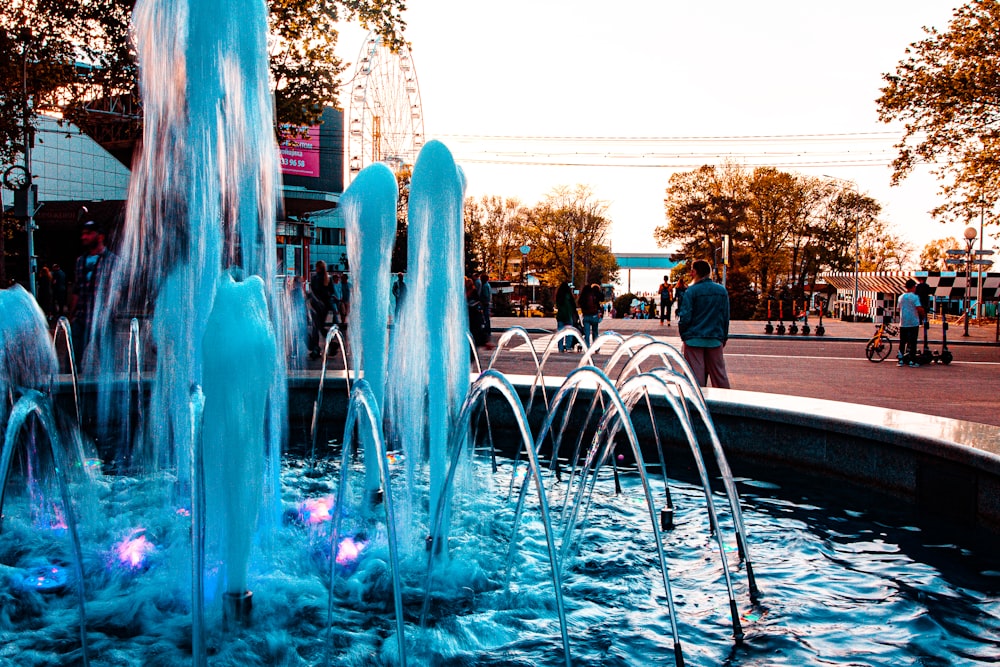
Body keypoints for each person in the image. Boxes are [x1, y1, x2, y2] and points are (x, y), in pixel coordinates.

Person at [677, 260, 731, 388]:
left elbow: (685, 316)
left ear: (695, 272)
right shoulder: (721, 291)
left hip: (693, 338)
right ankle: (725, 403)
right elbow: (725, 316)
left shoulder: (691, 291)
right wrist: (723, 337)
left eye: (692, 270)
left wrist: (684, 335)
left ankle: (697, 404)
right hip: (715, 337)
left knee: (696, 377)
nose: (690, 273)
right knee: (719, 375)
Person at [69, 219, 116, 365]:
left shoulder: (112, 261)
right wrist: (72, 315)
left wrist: (110, 312)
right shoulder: (80, 261)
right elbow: (77, 289)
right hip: (82, 318)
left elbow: (117, 292)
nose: (84, 237)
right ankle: (72, 386)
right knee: (72, 360)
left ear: (100, 236)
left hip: (103, 319)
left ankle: (108, 385)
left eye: (89, 234)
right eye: (83, 234)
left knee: (106, 362)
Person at [897, 278, 925, 368]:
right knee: (913, 342)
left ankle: (900, 360)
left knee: (902, 341)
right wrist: (923, 315)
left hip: (903, 322)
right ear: (913, 287)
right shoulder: (915, 297)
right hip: (913, 322)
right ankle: (912, 361)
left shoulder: (901, 297)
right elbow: (919, 308)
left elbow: (898, 308)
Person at [308, 261, 332, 358]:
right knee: (319, 327)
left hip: (316, 305)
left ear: (318, 268)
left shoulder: (315, 278)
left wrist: (315, 300)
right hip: (324, 306)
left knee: (316, 327)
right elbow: (331, 292)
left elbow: (312, 292)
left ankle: (316, 348)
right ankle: (331, 343)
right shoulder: (328, 278)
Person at [555, 281, 578, 352]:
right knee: (569, 332)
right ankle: (568, 346)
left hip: (560, 316)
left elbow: (557, 306)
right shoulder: (569, 295)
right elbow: (573, 306)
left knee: (560, 332)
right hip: (568, 316)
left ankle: (560, 347)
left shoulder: (559, 296)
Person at [579, 282, 602, 348]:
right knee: (595, 332)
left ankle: (587, 346)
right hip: (594, 316)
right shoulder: (593, 296)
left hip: (586, 316)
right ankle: (596, 347)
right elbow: (598, 304)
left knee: (587, 333)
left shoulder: (582, 297)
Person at [478, 271, 493, 345]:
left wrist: (482, 301)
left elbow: (486, 295)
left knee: (485, 318)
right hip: (487, 303)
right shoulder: (488, 285)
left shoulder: (484, 286)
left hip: (485, 304)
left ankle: (487, 331)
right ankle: (488, 330)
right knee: (486, 318)